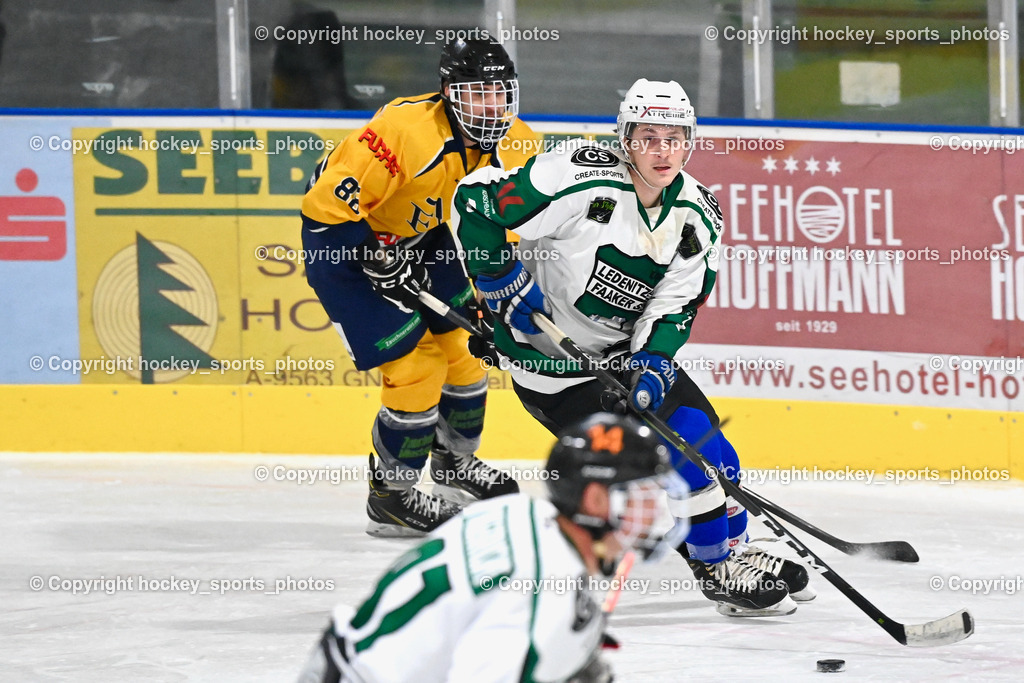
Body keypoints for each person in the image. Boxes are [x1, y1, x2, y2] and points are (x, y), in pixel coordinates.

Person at [450, 78, 814, 616]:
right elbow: (475, 202)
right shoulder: (577, 175)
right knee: (686, 453)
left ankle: (732, 550)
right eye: (648, 136)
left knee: (715, 451)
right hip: (555, 368)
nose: (662, 150)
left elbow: (675, 304)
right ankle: (716, 570)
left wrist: (652, 362)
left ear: (690, 141)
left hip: (622, 358)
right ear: (625, 138)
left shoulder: (697, 213)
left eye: (675, 137)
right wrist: (496, 273)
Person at [300, 38, 538, 537]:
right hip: (343, 244)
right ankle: (391, 499)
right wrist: (369, 252)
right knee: (416, 367)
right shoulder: (404, 132)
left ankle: (453, 463)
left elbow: (501, 228)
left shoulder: (519, 143)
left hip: (421, 236)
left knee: (466, 350)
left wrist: (497, 288)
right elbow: (325, 207)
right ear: (449, 93)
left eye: (500, 93)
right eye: (478, 93)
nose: (492, 106)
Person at [296, 413, 675, 683]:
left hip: (342, 661)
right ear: (595, 501)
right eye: (644, 496)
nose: (656, 511)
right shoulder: (542, 587)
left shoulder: (518, 511)